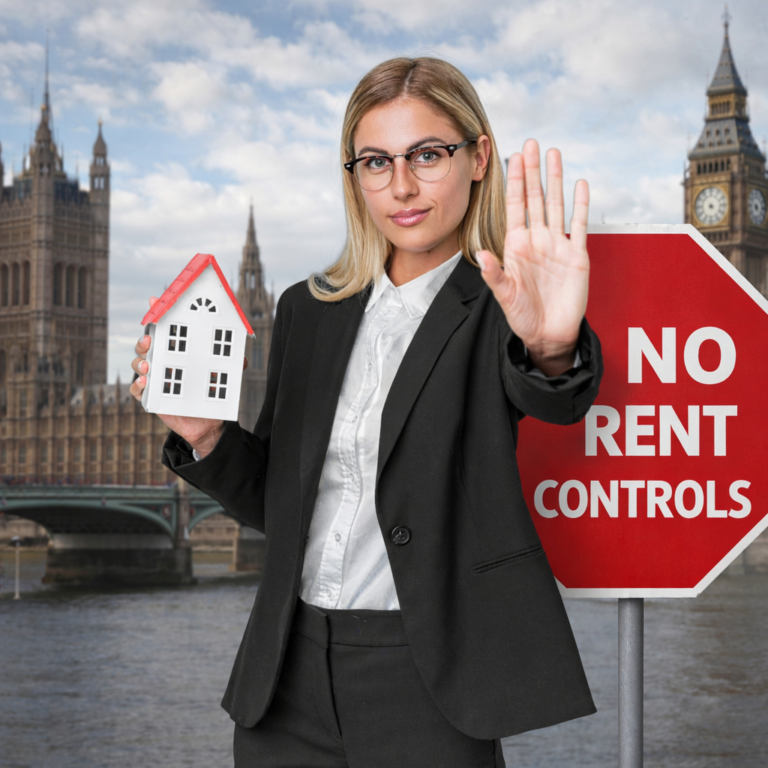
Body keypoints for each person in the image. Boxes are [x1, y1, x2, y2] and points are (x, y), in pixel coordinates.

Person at [130, 56, 603, 768]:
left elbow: (552, 397)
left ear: (478, 159)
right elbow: (286, 506)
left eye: (428, 155)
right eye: (376, 161)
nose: (402, 186)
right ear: (353, 175)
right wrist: (206, 438)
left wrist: (552, 348)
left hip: (429, 679)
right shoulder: (307, 309)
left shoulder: (505, 303)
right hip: (284, 681)